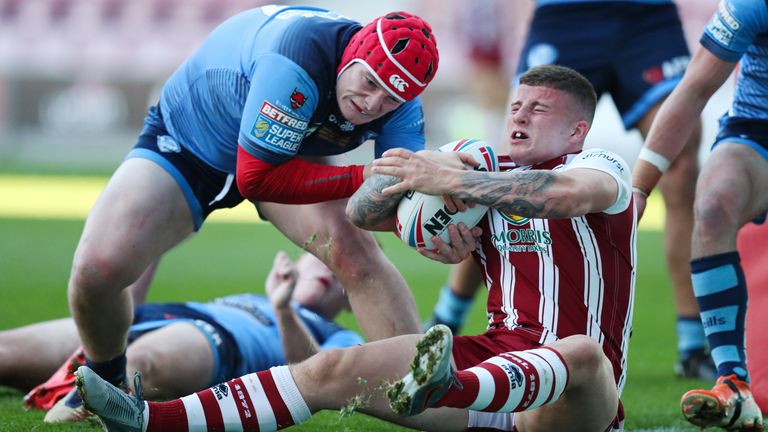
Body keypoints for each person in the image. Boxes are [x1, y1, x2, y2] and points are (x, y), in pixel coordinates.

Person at [74, 64, 636, 432]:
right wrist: (422, 207)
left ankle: (447, 385)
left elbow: (564, 197)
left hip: (579, 398)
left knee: (581, 350)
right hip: (494, 365)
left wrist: (448, 183)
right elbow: (365, 211)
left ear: (576, 131)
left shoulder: (599, 165)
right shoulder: (476, 162)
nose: (519, 115)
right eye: (516, 105)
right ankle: (150, 419)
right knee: (330, 369)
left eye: (539, 110)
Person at [66, 2, 439, 412]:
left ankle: (426, 399)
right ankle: (104, 381)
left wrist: (431, 231)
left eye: (391, 98)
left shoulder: (401, 100)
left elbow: (391, 195)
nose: (373, 104)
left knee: (357, 255)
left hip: (287, 153)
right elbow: (257, 179)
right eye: (369, 83)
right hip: (191, 143)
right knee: (95, 271)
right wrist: (359, 177)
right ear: (353, 53)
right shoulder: (297, 56)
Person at [425, 0, 713, 380]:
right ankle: (449, 313)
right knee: (511, 169)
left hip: (648, 17)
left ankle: (693, 342)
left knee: (682, 165)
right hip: (564, 15)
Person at [1, 252, 362, 423]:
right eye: (319, 259)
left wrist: (284, 311)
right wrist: (149, 249)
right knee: (8, 351)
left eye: (342, 272)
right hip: (154, 316)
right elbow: (125, 298)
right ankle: (84, 390)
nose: (328, 271)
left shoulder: (337, 333)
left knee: (140, 364)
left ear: (352, 299)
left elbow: (321, 375)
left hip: (216, 342)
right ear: (296, 262)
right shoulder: (250, 298)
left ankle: (82, 407)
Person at [631, 0, 768, 429]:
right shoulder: (752, 5)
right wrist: (639, 189)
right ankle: (732, 380)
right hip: (757, 129)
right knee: (712, 203)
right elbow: (692, 91)